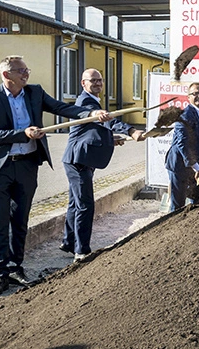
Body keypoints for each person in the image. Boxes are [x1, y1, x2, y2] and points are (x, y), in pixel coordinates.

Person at [0, 56, 110, 296]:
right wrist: (23, 133)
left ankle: (16, 268)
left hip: (27, 166)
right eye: (21, 71)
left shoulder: (34, 92)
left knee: (20, 221)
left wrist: (91, 112)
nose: (26, 74)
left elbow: (62, 108)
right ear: (7, 75)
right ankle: (0, 274)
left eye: (27, 69)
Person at [61, 69, 142, 261]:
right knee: (85, 205)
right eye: (93, 81)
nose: (97, 84)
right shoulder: (87, 102)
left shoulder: (92, 100)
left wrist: (110, 140)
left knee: (75, 203)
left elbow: (90, 130)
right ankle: (81, 252)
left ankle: (69, 242)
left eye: (100, 80)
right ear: (83, 83)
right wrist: (130, 130)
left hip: (82, 158)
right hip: (78, 160)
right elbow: (107, 121)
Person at [164, 82, 199, 211]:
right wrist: (196, 168)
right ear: (188, 97)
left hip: (195, 161)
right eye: (195, 93)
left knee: (195, 200)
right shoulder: (184, 115)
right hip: (180, 164)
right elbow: (183, 143)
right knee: (178, 205)